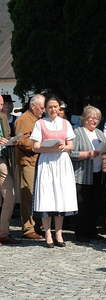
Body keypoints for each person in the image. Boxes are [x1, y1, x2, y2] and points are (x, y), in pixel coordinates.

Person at [30, 95, 78, 248]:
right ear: (45, 109)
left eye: (55, 106)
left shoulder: (65, 123)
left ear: (59, 108)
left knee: (60, 196)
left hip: (62, 162)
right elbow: (34, 147)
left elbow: (71, 144)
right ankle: (48, 233)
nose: (53, 109)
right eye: (50, 107)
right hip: (47, 162)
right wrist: (50, 148)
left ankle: (59, 232)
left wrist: (65, 147)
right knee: (47, 196)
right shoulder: (40, 123)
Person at [70, 105, 106, 242]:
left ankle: (92, 231)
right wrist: (87, 154)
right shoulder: (77, 132)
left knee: (94, 204)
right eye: (92, 117)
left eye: (97, 118)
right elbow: (70, 153)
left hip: (97, 173)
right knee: (82, 204)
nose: (95, 120)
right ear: (84, 118)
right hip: (82, 175)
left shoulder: (99, 133)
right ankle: (80, 233)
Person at [15, 94, 45, 240]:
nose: (43, 110)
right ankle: (28, 228)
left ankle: (36, 225)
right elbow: (21, 140)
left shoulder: (37, 120)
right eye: (41, 107)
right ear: (33, 106)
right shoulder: (23, 120)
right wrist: (40, 146)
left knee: (35, 195)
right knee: (28, 195)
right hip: (28, 161)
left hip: (37, 161)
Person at [0, 95, 17, 245]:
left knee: (10, 195)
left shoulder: (4, 117)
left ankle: (3, 232)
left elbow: (7, 136)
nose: (1, 107)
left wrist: (12, 140)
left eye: (2, 104)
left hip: (3, 159)